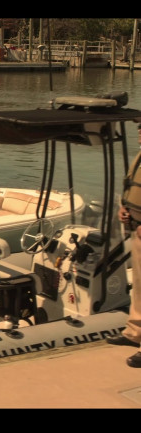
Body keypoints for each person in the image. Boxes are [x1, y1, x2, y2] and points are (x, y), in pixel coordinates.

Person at [112, 123, 141, 368]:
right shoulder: (140, 156)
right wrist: (124, 208)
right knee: (140, 286)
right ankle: (134, 333)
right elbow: (130, 187)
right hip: (137, 229)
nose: (140, 132)